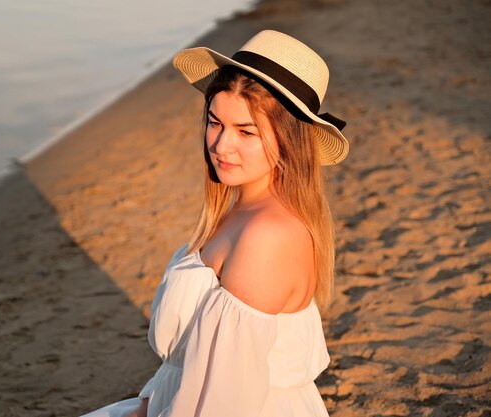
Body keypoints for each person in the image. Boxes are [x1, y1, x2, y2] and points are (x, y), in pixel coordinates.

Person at [80, 30, 349, 417]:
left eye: (246, 131)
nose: (221, 145)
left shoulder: (266, 235)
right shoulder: (244, 209)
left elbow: (224, 400)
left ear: (288, 140)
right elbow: (197, 367)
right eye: (214, 122)